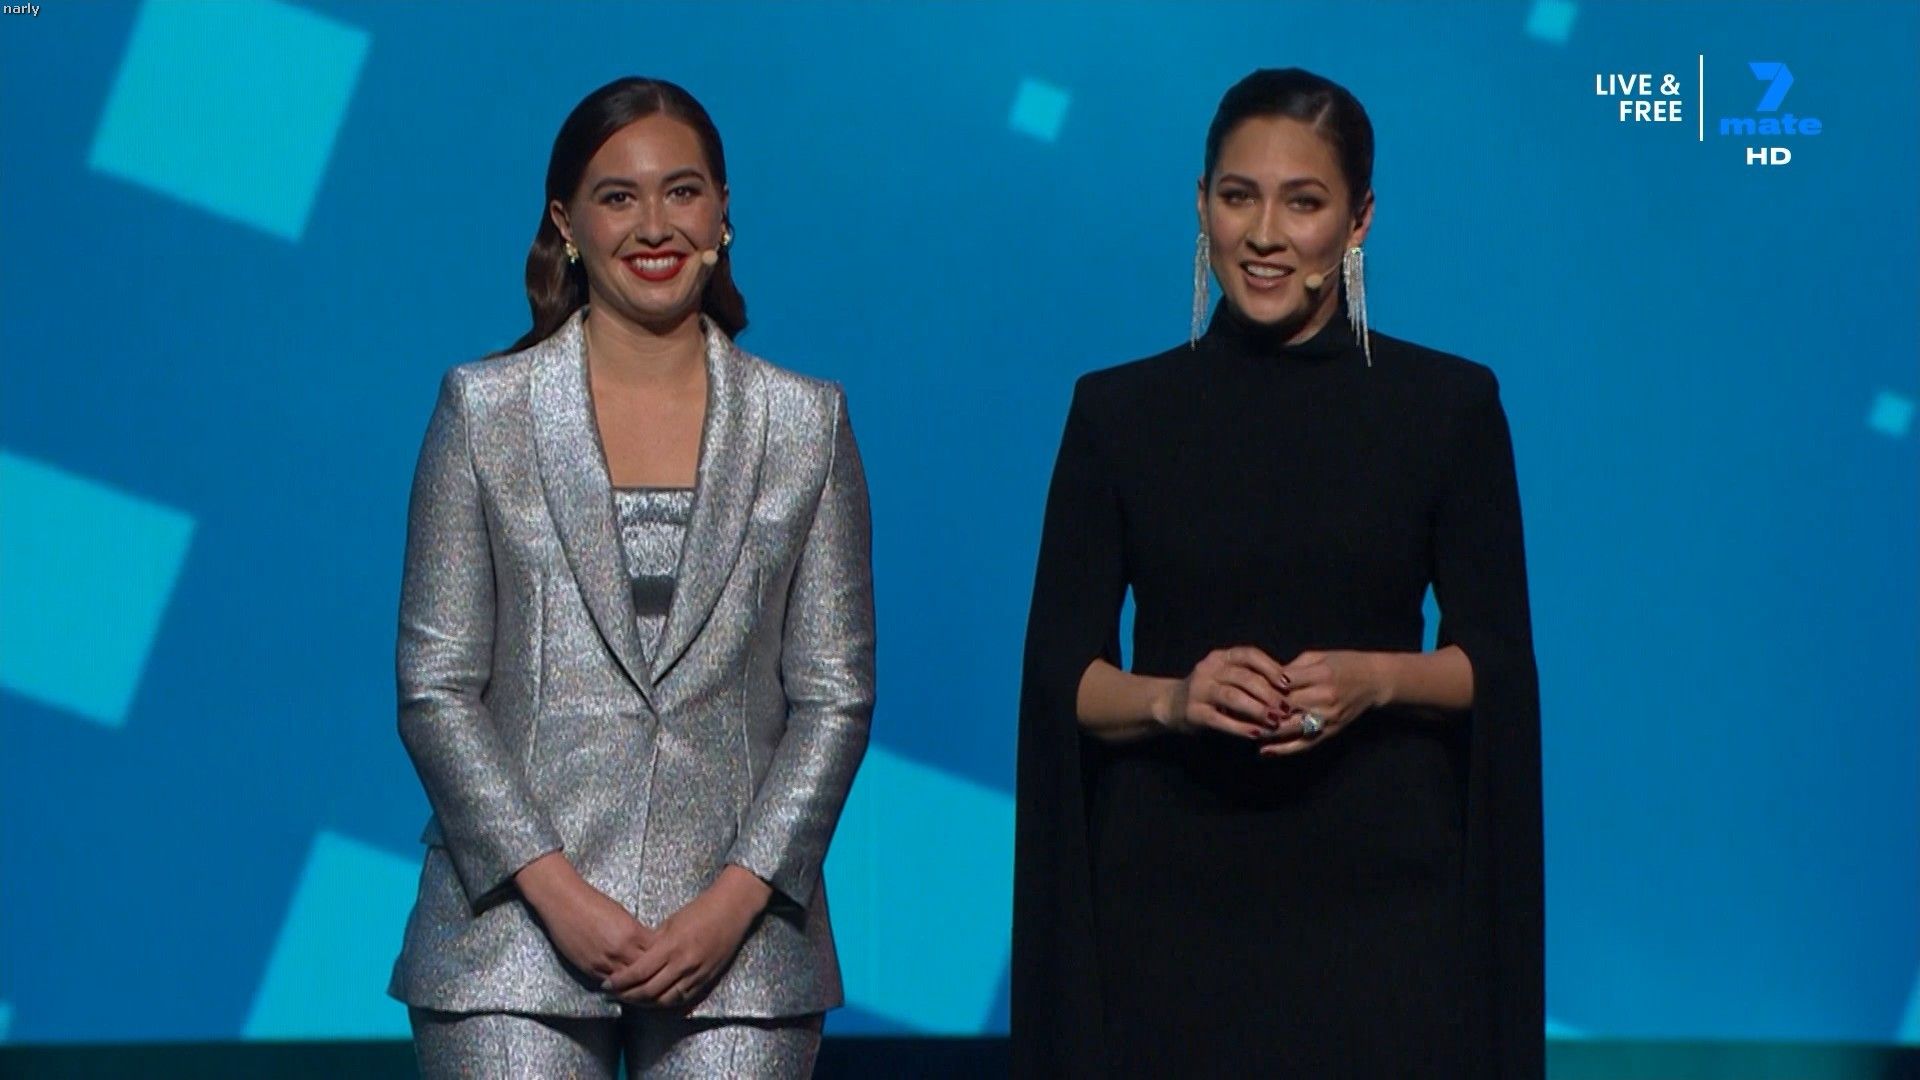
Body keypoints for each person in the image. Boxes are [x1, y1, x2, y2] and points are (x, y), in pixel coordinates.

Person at [1012, 67, 1543, 1078]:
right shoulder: (1119, 414)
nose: (1264, 234)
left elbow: (1496, 663)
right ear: (1201, 203)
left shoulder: (1448, 409)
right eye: (1238, 196)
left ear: (1359, 219)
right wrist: (1175, 698)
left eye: (1303, 203)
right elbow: (1060, 677)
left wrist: (1375, 679)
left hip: (1384, 908)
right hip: (1170, 909)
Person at [386, 76, 874, 1079]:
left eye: (682, 192)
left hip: (739, 943)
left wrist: (734, 900)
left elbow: (834, 697)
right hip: (512, 930)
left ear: (723, 212)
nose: (655, 226)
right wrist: (558, 894)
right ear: (567, 223)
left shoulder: (806, 422)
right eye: (618, 197)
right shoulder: (484, 410)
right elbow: (436, 689)